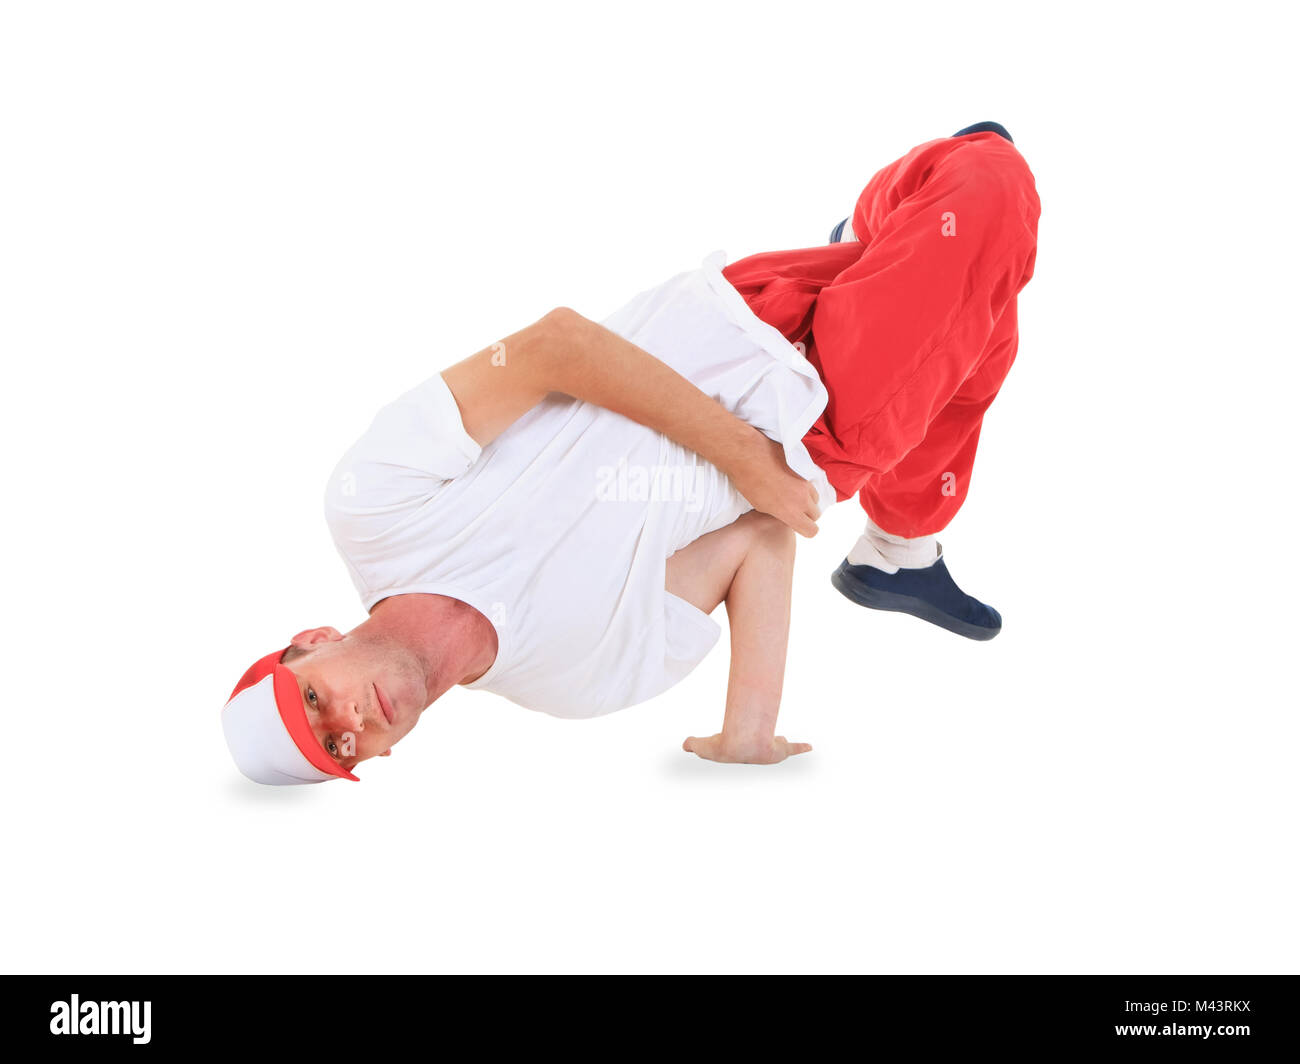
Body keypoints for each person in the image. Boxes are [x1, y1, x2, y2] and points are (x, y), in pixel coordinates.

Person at [220, 122, 1040, 784]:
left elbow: (555, 345)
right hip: (820, 416)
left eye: (314, 699)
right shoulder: (573, 681)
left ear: (310, 641)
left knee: (982, 335)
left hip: (734, 304)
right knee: (989, 181)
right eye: (339, 748)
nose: (349, 722)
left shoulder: (374, 509)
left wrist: (738, 461)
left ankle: (900, 545)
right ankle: (890, 236)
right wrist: (748, 729)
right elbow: (755, 540)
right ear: (377, 760)